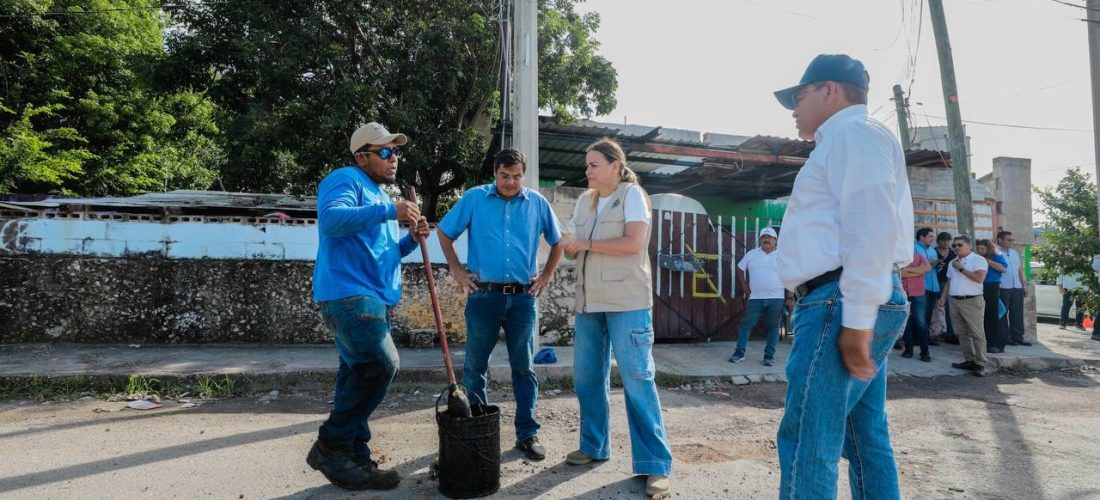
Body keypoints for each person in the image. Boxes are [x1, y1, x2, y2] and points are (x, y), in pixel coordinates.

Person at [771, 54, 912, 500]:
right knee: (863, 437)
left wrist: (856, 316)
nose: (793, 108)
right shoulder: (850, 138)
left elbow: (870, 224)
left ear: (829, 90)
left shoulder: (853, 133)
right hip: (850, 296)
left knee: (808, 443)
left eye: (799, 96)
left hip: (840, 298)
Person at [307, 122, 429, 491]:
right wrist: (391, 211)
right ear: (362, 156)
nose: (394, 159)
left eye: (396, 151)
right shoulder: (345, 179)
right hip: (349, 295)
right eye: (386, 152)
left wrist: (409, 239)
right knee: (380, 364)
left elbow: (383, 253)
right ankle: (330, 445)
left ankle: (354, 456)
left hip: (369, 297)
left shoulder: (377, 195)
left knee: (355, 376)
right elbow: (330, 220)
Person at [560, 138, 673, 497]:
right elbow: (575, 253)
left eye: (594, 164)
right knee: (587, 377)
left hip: (627, 303)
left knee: (638, 379)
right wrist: (568, 247)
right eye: (587, 164)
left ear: (614, 165)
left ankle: (655, 465)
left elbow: (632, 244)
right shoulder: (584, 200)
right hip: (589, 304)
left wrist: (586, 245)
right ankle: (594, 446)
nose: (587, 170)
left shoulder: (632, 196)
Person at [436, 148, 565, 461]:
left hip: (523, 299)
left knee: (524, 368)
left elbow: (558, 241)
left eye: (517, 176)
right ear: (495, 173)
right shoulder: (475, 198)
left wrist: (546, 274)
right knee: (475, 368)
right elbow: (444, 231)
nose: (511, 182)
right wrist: (455, 267)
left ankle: (527, 434)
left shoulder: (537, 203)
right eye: (505, 176)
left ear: (523, 174)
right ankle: (476, 432)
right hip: (483, 297)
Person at [728, 227, 789, 366]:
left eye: (769, 237)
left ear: (775, 241)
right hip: (755, 297)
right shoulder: (751, 254)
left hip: (776, 298)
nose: (766, 239)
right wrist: (745, 286)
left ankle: (769, 356)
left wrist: (789, 297)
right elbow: (739, 268)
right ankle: (739, 353)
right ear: (760, 240)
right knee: (746, 324)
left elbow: (790, 276)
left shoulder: (782, 256)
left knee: (773, 327)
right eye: (763, 237)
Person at [942, 236, 990, 377]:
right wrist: (942, 297)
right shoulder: (952, 262)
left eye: (960, 245)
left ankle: (980, 363)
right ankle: (969, 360)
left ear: (969, 246)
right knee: (961, 333)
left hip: (972, 301)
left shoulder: (978, 260)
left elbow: (979, 278)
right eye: (954, 245)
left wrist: (961, 269)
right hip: (954, 300)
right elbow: (949, 281)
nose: (956, 247)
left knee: (977, 333)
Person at [997, 231, 1032, 346]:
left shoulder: (1014, 253)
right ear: (1000, 240)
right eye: (1008, 240)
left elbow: (1019, 270)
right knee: (1002, 313)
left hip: (1016, 286)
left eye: (1012, 240)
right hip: (1002, 287)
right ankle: (1004, 337)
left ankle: (1017, 337)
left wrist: (1024, 285)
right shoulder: (995, 252)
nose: (1011, 242)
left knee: (1017, 313)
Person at [976, 239, 1009, 353]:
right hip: (979, 286)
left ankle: (994, 343)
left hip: (992, 287)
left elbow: (1003, 268)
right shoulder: (975, 257)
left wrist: (987, 261)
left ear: (988, 248)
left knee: (992, 315)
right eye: (978, 249)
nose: (980, 251)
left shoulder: (996, 255)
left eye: (982, 249)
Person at [900, 248, 931, 361]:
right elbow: (900, 273)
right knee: (906, 324)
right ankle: (908, 350)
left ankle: (925, 352)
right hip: (903, 294)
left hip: (918, 294)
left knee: (921, 323)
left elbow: (927, 268)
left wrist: (907, 271)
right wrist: (918, 270)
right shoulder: (898, 260)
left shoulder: (919, 256)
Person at [916, 228, 943, 347]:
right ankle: (917, 339)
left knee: (928, 314)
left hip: (933, 286)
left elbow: (934, 270)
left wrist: (939, 265)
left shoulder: (933, 251)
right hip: (920, 285)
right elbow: (910, 266)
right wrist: (928, 263)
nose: (933, 239)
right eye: (930, 236)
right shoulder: (913, 248)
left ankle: (925, 338)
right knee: (919, 314)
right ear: (922, 236)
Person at [932, 231, 958, 344]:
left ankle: (950, 333)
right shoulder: (933, 252)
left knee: (949, 309)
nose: (946, 242)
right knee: (934, 308)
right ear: (938, 241)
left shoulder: (953, 253)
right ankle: (934, 333)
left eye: (948, 240)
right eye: (943, 240)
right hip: (934, 282)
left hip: (948, 283)